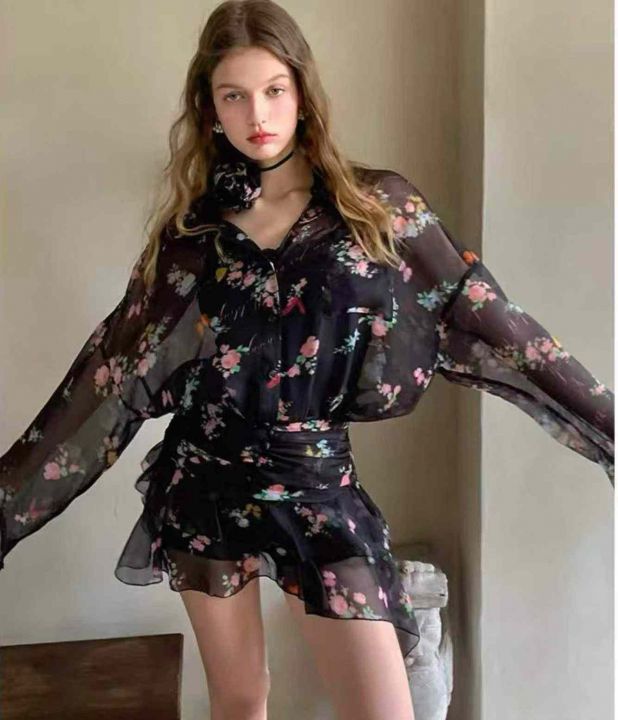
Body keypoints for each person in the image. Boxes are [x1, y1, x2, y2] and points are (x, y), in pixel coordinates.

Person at [0, 1, 613, 719]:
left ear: (302, 92)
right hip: (206, 482)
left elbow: (493, 321)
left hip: (317, 482)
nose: (257, 114)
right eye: (234, 95)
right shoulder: (193, 235)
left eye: (273, 90)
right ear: (209, 109)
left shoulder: (378, 208)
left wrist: (606, 422)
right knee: (240, 702)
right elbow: (109, 375)